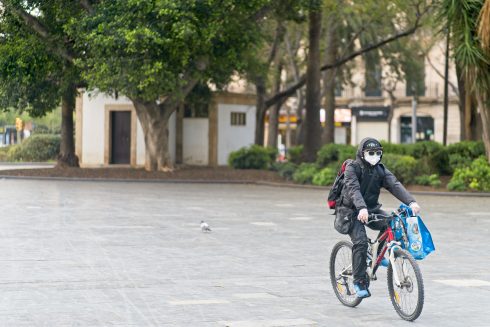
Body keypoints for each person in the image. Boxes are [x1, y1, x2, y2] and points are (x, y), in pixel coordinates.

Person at [334, 137, 421, 298]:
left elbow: (394, 185)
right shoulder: (352, 168)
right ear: (362, 153)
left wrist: (411, 202)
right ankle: (359, 281)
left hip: (371, 209)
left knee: (391, 222)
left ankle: (377, 256)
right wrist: (361, 208)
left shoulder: (380, 170)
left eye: (378, 153)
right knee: (360, 242)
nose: (374, 156)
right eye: (370, 153)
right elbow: (353, 189)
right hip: (351, 211)